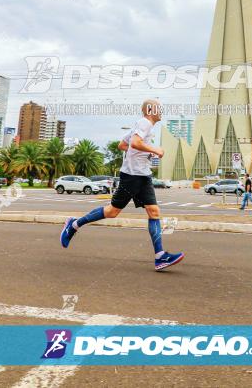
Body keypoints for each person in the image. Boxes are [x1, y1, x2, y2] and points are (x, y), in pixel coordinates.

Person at [60, 99, 185, 271]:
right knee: (112, 211)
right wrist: (156, 150)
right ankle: (73, 225)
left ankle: (160, 257)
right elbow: (133, 143)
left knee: (154, 211)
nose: (161, 111)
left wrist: (139, 154)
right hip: (132, 177)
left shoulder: (143, 126)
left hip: (143, 175)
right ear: (150, 110)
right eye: (159, 108)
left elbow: (122, 145)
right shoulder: (144, 123)